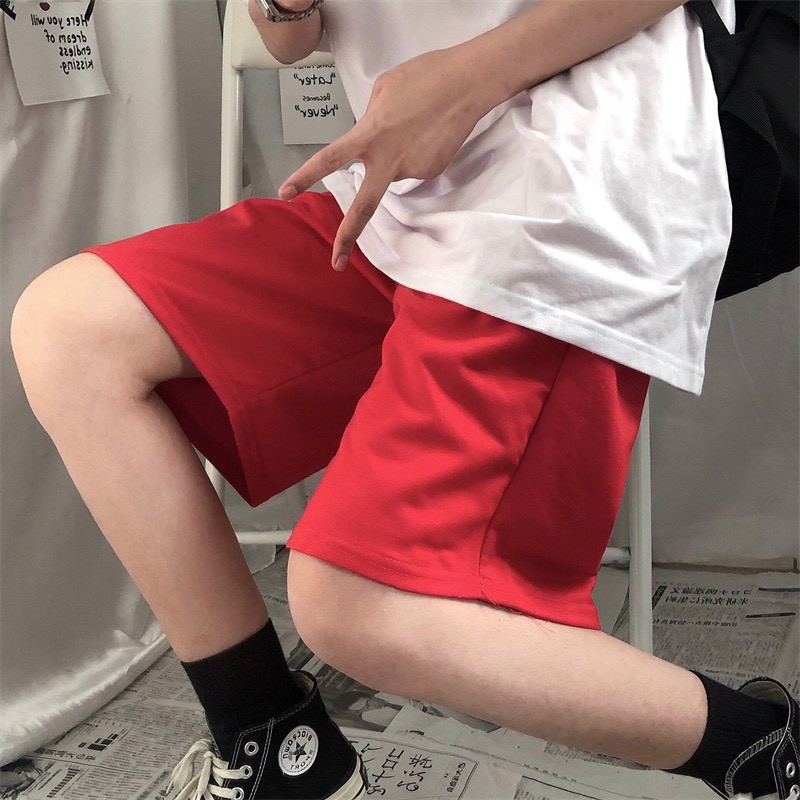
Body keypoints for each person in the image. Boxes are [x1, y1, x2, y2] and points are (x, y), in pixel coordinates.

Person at [9, 0, 798, 798]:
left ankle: (767, 756)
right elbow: (289, 40)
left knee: (360, 604)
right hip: (406, 193)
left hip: (558, 184)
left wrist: (467, 80)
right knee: (72, 332)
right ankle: (279, 754)